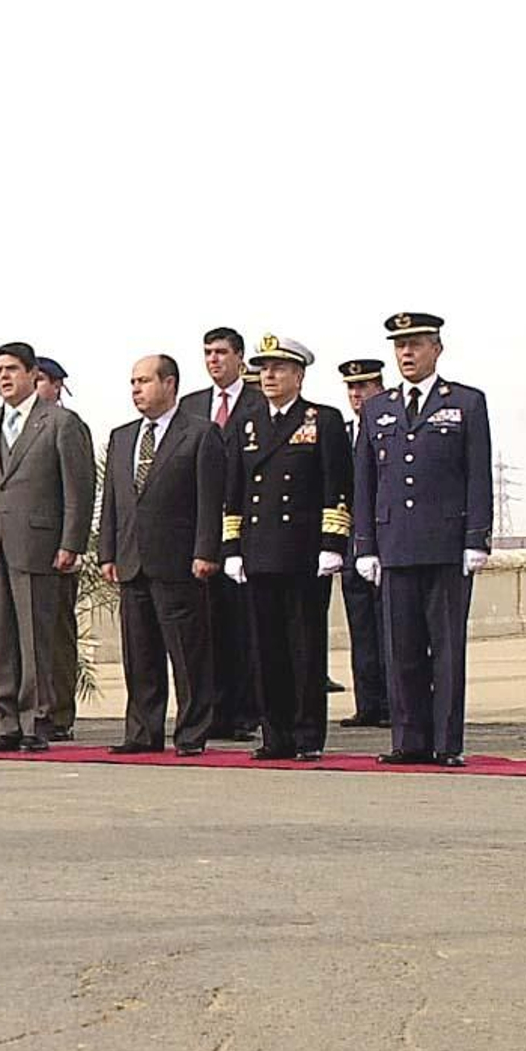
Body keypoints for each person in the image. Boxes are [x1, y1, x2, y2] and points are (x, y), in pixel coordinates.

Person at [354, 313, 492, 768]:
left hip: (447, 544)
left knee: (447, 649)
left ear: (437, 348)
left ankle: (446, 742)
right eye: (400, 346)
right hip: (395, 545)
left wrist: (477, 537)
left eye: (415, 344)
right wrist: (365, 544)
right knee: (402, 647)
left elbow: (477, 474)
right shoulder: (378, 408)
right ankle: (408, 739)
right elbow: (365, 481)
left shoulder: (466, 403)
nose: (406, 354)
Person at [221, 336, 352, 762]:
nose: (270, 376)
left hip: (302, 555)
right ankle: (274, 734)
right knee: (265, 649)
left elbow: (337, 486)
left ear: (298, 375)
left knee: (305, 648)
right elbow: (234, 491)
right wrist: (232, 546)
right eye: (264, 369)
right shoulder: (248, 424)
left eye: (279, 369)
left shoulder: (322, 420)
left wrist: (333, 543)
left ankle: (308, 734)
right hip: (259, 553)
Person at [0, 342, 94, 752]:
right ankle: (7, 720)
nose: (4, 377)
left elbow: (78, 490)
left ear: (32, 374)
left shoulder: (59, 422)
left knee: (38, 638)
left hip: (39, 544)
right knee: (0, 638)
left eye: (12, 370)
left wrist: (70, 542)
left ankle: (38, 720)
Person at [99, 355, 224, 755]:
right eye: (132, 382)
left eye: (144, 381)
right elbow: (114, 502)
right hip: (132, 561)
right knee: (140, 655)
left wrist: (206, 550)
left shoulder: (200, 434)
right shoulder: (122, 436)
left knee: (188, 654)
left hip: (179, 561)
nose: (136, 389)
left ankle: (191, 733)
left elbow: (210, 499)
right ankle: (142, 732)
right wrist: (107, 552)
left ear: (170, 384)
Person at [179, 326, 263, 741]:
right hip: (199, 529)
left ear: (240, 357)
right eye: (208, 353)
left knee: (241, 625)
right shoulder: (192, 406)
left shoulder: (258, 401)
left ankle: (244, 711)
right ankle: (210, 710)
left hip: (245, 527)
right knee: (206, 627)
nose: (214, 360)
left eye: (221, 353)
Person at [33, 355, 93, 739]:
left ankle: (57, 712)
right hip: (18, 547)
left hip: (54, 547)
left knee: (54, 634)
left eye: (41, 380)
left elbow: (79, 489)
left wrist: (72, 542)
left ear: (56, 386)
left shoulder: (67, 426)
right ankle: (30, 708)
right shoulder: (10, 426)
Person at [336, 358, 390, 728]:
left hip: (387, 543)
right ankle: (368, 703)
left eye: (365, 387)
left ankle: (394, 702)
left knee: (391, 629)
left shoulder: (390, 428)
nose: (357, 394)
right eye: (352, 388)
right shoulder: (342, 432)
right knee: (362, 630)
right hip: (351, 544)